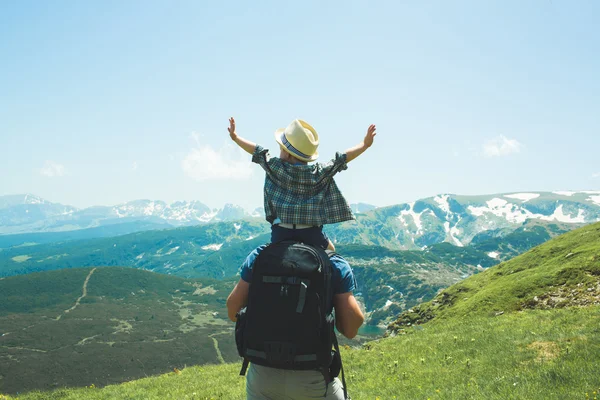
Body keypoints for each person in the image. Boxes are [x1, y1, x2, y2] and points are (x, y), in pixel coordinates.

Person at [227, 245, 365, 399]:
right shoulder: (333, 262)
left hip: (261, 376)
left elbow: (233, 312)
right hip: (312, 379)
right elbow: (350, 330)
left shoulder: (259, 255)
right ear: (320, 223)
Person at [228, 117, 376, 251]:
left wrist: (236, 138)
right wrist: (365, 144)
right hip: (311, 232)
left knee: (262, 259)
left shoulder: (275, 167)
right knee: (332, 252)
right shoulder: (319, 172)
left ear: (287, 153)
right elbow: (342, 158)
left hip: (281, 231)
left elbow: (256, 150)